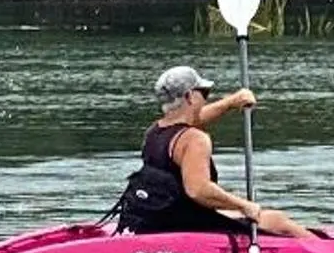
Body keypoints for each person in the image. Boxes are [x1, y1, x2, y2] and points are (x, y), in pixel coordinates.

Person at [113, 65, 312, 237]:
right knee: (279, 222)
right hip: (185, 222)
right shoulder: (195, 139)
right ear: (190, 96)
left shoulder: (155, 132)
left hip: (161, 215)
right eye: (204, 94)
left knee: (258, 216)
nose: (206, 100)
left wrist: (230, 103)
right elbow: (198, 190)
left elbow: (193, 119)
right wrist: (243, 205)